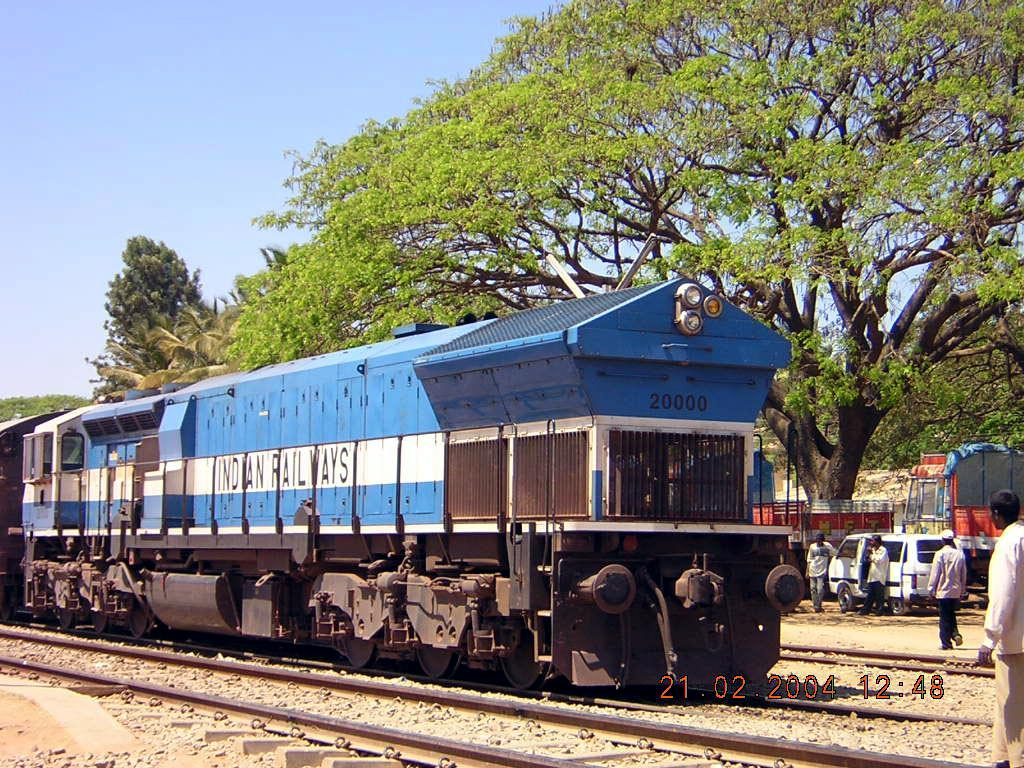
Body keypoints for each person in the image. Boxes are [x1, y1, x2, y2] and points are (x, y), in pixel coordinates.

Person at [978, 489, 1024, 768]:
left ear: (995, 514)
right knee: (1005, 701)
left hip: (1015, 639)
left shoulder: (1008, 543)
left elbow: (1003, 593)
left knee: (1013, 704)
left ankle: (1017, 760)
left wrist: (989, 637)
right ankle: (1002, 757)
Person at [929, 528, 967, 650]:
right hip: (955, 590)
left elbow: (935, 573)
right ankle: (955, 634)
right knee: (951, 614)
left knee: (944, 617)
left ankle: (946, 643)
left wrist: (931, 588)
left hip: (943, 590)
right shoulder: (959, 554)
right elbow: (963, 574)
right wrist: (962, 589)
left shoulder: (939, 554)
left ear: (942, 540)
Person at [858, 535, 889, 616]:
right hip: (872, 576)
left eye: (872, 541)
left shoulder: (883, 550)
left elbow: (879, 560)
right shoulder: (873, 550)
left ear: (877, 542)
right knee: (870, 596)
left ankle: (879, 611)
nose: (871, 542)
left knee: (879, 596)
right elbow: (868, 559)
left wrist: (871, 555)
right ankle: (865, 610)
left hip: (879, 576)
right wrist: (869, 555)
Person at [806, 532, 835, 613]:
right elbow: (809, 560)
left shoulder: (828, 546)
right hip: (812, 570)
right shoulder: (812, 547)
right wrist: (807, 571)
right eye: (818, 540)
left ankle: (819, 605)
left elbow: (834, 553)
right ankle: (816, 606)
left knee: (820, 590)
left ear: (823, 540)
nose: (819, 542)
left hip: (822, 571)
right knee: (813, 589)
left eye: (820, 540)